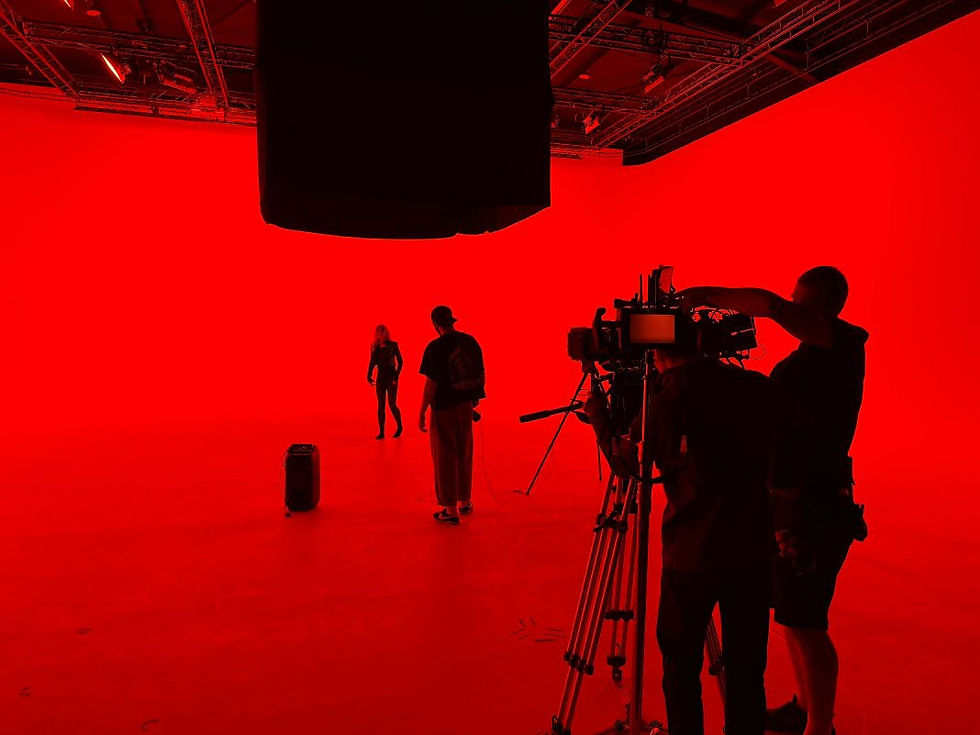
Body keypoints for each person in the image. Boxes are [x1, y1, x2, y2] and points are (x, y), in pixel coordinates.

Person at [677, 266, 868, 735]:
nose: (789, 308)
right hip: (788, 503)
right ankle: (804, 708)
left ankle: (820, 726)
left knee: (807, 621)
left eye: (798, 302)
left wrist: (706, 294)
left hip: (814, 505)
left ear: (817, 307)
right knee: (792, 615)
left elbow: (770, 306)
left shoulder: (843, 345)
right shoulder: (810, 356)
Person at [586, 316, 793, 735]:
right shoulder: (756, 386)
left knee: (681, 669)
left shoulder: (667, 400)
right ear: (699, 340)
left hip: (691, 555)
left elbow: (629, 464)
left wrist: (600, 420)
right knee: (747, 667)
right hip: (752, 550)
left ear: (653, 353)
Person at [418, 306, 485, 525]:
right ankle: (465, 501)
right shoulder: (470, 342)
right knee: (465, 452)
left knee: (445, 457)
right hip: (465, 407)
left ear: (435, 324)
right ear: (452, 321)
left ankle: (450, 509)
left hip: (443, 409)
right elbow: (480, 374)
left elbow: (431, 384)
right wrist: (473, 399)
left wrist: (422, 411)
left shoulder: (435, 347)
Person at [367, 324, 404, 439]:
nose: (380, 334)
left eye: (382, 331)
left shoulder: (393, 345)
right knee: (381, 405)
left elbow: (401, 361)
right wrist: (369, 374)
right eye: (378, 332)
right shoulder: (375, 347)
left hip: (391, 376)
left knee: (392, 404)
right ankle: (382, 432)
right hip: (381, 377)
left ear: (386, 333)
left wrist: (396, 375)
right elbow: (372, 362)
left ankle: (400, 427)